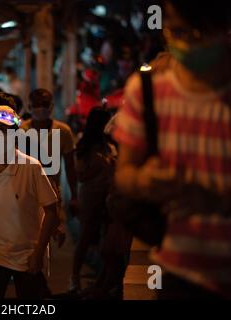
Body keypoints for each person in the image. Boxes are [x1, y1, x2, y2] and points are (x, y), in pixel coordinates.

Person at [114, 0, 231, 299]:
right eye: (179, 31)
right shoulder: (147, 92)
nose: (190, 42)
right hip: (179, 275)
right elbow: (124, 174)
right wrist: (144, 181)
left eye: (202, 32)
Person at [0, 106, 60, 299]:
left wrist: (39, 253)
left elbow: (51, 211)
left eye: (2, 130)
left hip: (27, 252)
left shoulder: (31, 167)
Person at [20, 89, 78, 295]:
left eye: (45, 104)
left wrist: (75, 195)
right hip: (26, 192)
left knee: (44, 239)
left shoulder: (63, 131)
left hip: (52, 194)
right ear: (29, 107)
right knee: (30, 238)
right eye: (37, 104)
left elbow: (71, 167)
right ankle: (36, 281)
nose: (41, 108)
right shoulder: (22, 131)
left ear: (52, 106)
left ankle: (37, 280)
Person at [70, 107, 116, 295]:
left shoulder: (107, 144)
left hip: (108, 196)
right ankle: (74, 278)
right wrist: (102, 167)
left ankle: (101, 281)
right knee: (86, 237)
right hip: (91, 195)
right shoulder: (85, 145)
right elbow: (81, 175)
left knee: (107, 239)